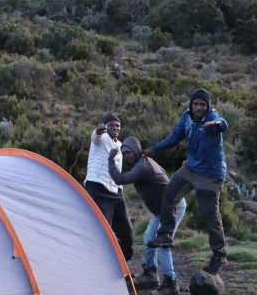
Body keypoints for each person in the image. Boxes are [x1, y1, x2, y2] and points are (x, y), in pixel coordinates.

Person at [145, 88, 229, 275]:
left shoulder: (212, 118)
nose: (199, 108)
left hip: (210, 173)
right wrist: (154, 150)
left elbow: (223, 124)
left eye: (203, 105)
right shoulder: (186, 117)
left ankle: (219, 255)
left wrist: (217, 124)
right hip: (190, 168)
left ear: (208, 106)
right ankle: (166, 234)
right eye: (196, 104)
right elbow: (174, 137)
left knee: (210, 215)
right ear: (191, 104)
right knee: (168, 194)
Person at [108, 137, 186, 294]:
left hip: (173, 207)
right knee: (148, 238)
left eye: (129, 152)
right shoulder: (142, 162)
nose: (127, 156)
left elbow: (120, 179)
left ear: (136, 151)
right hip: (162, 209)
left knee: (162, 244)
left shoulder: (143, 166)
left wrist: (110, 161)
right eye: (125, 153)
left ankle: (171, 283)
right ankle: (150, 274)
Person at [84, 112, 134, 261]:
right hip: (98, 187)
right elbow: (95, 135)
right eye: (111, 125)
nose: (115, 128)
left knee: (126, 232)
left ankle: (123, 264)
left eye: (118, 126)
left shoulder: (120, 145)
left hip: (116, 191)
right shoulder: (100, 138)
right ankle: (97, 262)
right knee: (101, 230)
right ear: (106, 127)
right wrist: (99, 130)